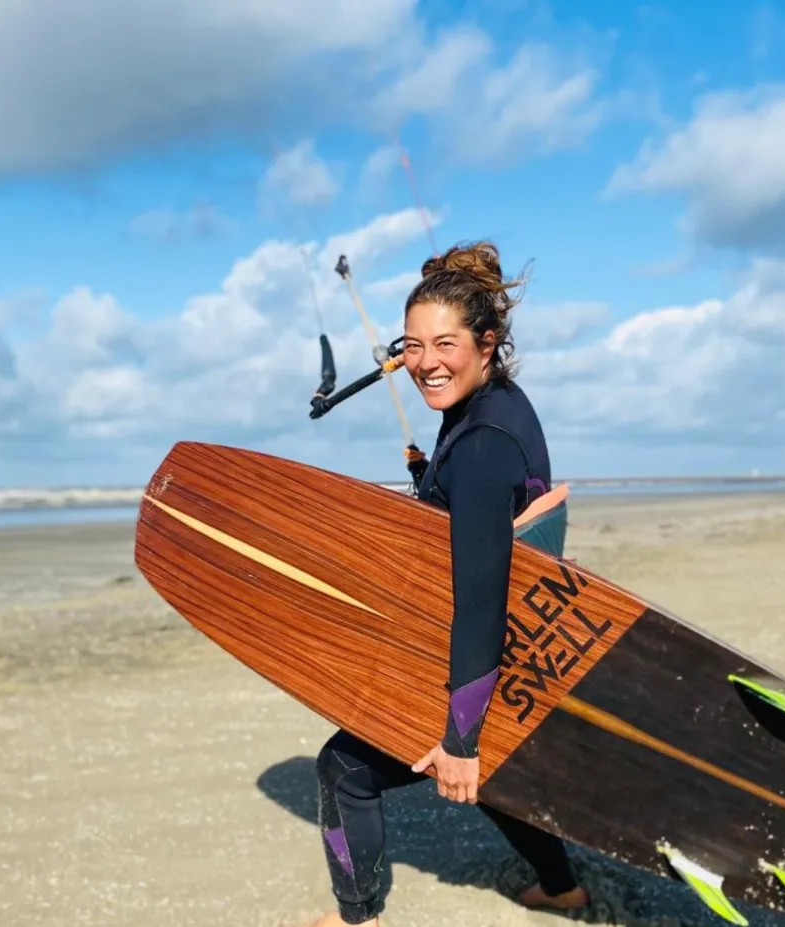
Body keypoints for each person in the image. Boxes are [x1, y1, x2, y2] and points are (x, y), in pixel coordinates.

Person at [299, 241, 590, 926]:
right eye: (413, 345)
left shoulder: (483, 448)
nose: (425, 362)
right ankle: (560, 886)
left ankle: (356, 917)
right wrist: (433, 476)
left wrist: (461, 743)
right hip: (522, 656)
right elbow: (481, 512)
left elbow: (480, 600)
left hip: (485, 661)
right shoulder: (498, 409)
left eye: (446, 344)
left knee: (343, 768)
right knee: (500, 783)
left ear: (486, 344)